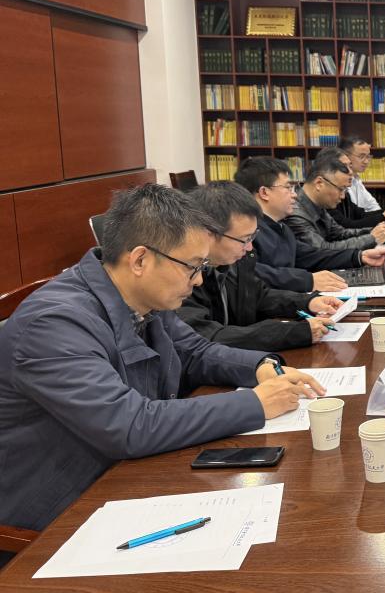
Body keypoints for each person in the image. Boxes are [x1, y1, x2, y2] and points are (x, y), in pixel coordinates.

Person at [0, 184, 324, 544]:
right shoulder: (53, 324)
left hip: (125, 478)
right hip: (56, 515)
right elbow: (128, 425)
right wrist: (254, 403)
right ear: (140, 260)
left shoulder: (143, 296)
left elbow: (195, 352)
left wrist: (259, 366)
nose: (198, 280)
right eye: (192, 267)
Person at [178, 182, 342, 351]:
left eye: (252, 237)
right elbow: (207, 337)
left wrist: (307, 302)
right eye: (244, 239)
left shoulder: (231, 261)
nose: (249, 247)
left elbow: (258, 297)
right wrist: (294, 332)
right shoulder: (182, 277)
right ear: (209, 234)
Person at [234, 157, 385, 293]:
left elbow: (311, 255)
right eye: (288, 187)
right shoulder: (246, 234)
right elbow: (255, 274)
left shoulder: (281, 227)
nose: (294, 194)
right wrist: (308, 280)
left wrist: (359, 256)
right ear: (264, 193)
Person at [288, 155, 385, 251]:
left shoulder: (318, 204)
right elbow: (321, 250)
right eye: (341, 189)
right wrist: (371, 238)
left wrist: (374, 231)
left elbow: (339, 233)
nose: (343, 196)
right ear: (319, 183)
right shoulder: (294, 212)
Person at [334, 136, 385, 229]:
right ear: (345, 156)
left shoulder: (356, 180)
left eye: (368, 156)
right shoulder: (336, 186)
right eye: (362, 156)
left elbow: (368, 209)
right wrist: (383, 217)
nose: (366, 161)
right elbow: (347, 224)